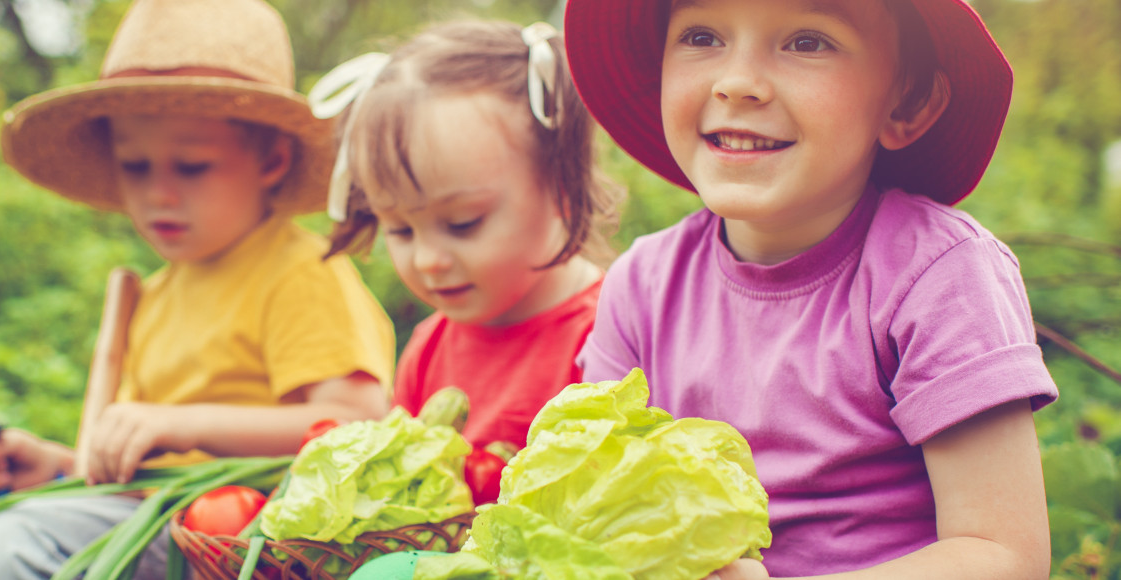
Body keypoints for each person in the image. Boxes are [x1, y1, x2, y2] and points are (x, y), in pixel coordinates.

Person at [562, 0, 1057, 578]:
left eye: (807, 42)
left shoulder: (939, 276)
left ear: (908, 102)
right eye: (701, 36)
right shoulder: (642, 283)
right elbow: (596, 494)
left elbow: (1007, 556)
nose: (738, 83)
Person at [0, 0, 395, 578]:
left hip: (238, 538)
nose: (159, 193)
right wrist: (60, 465)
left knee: (15, 535)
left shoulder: (300, 270)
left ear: (273, 160)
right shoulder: (159, 294)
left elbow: (357, 426)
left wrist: (181, 421)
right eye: (136, 167)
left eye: (190, 167)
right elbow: (144, 468)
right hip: (151, 511)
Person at [312, 20, 623, 450]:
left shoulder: (613, 336)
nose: (427, 260)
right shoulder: (429, 349)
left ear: (562, 184)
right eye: (400, 229)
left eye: (462, 223)